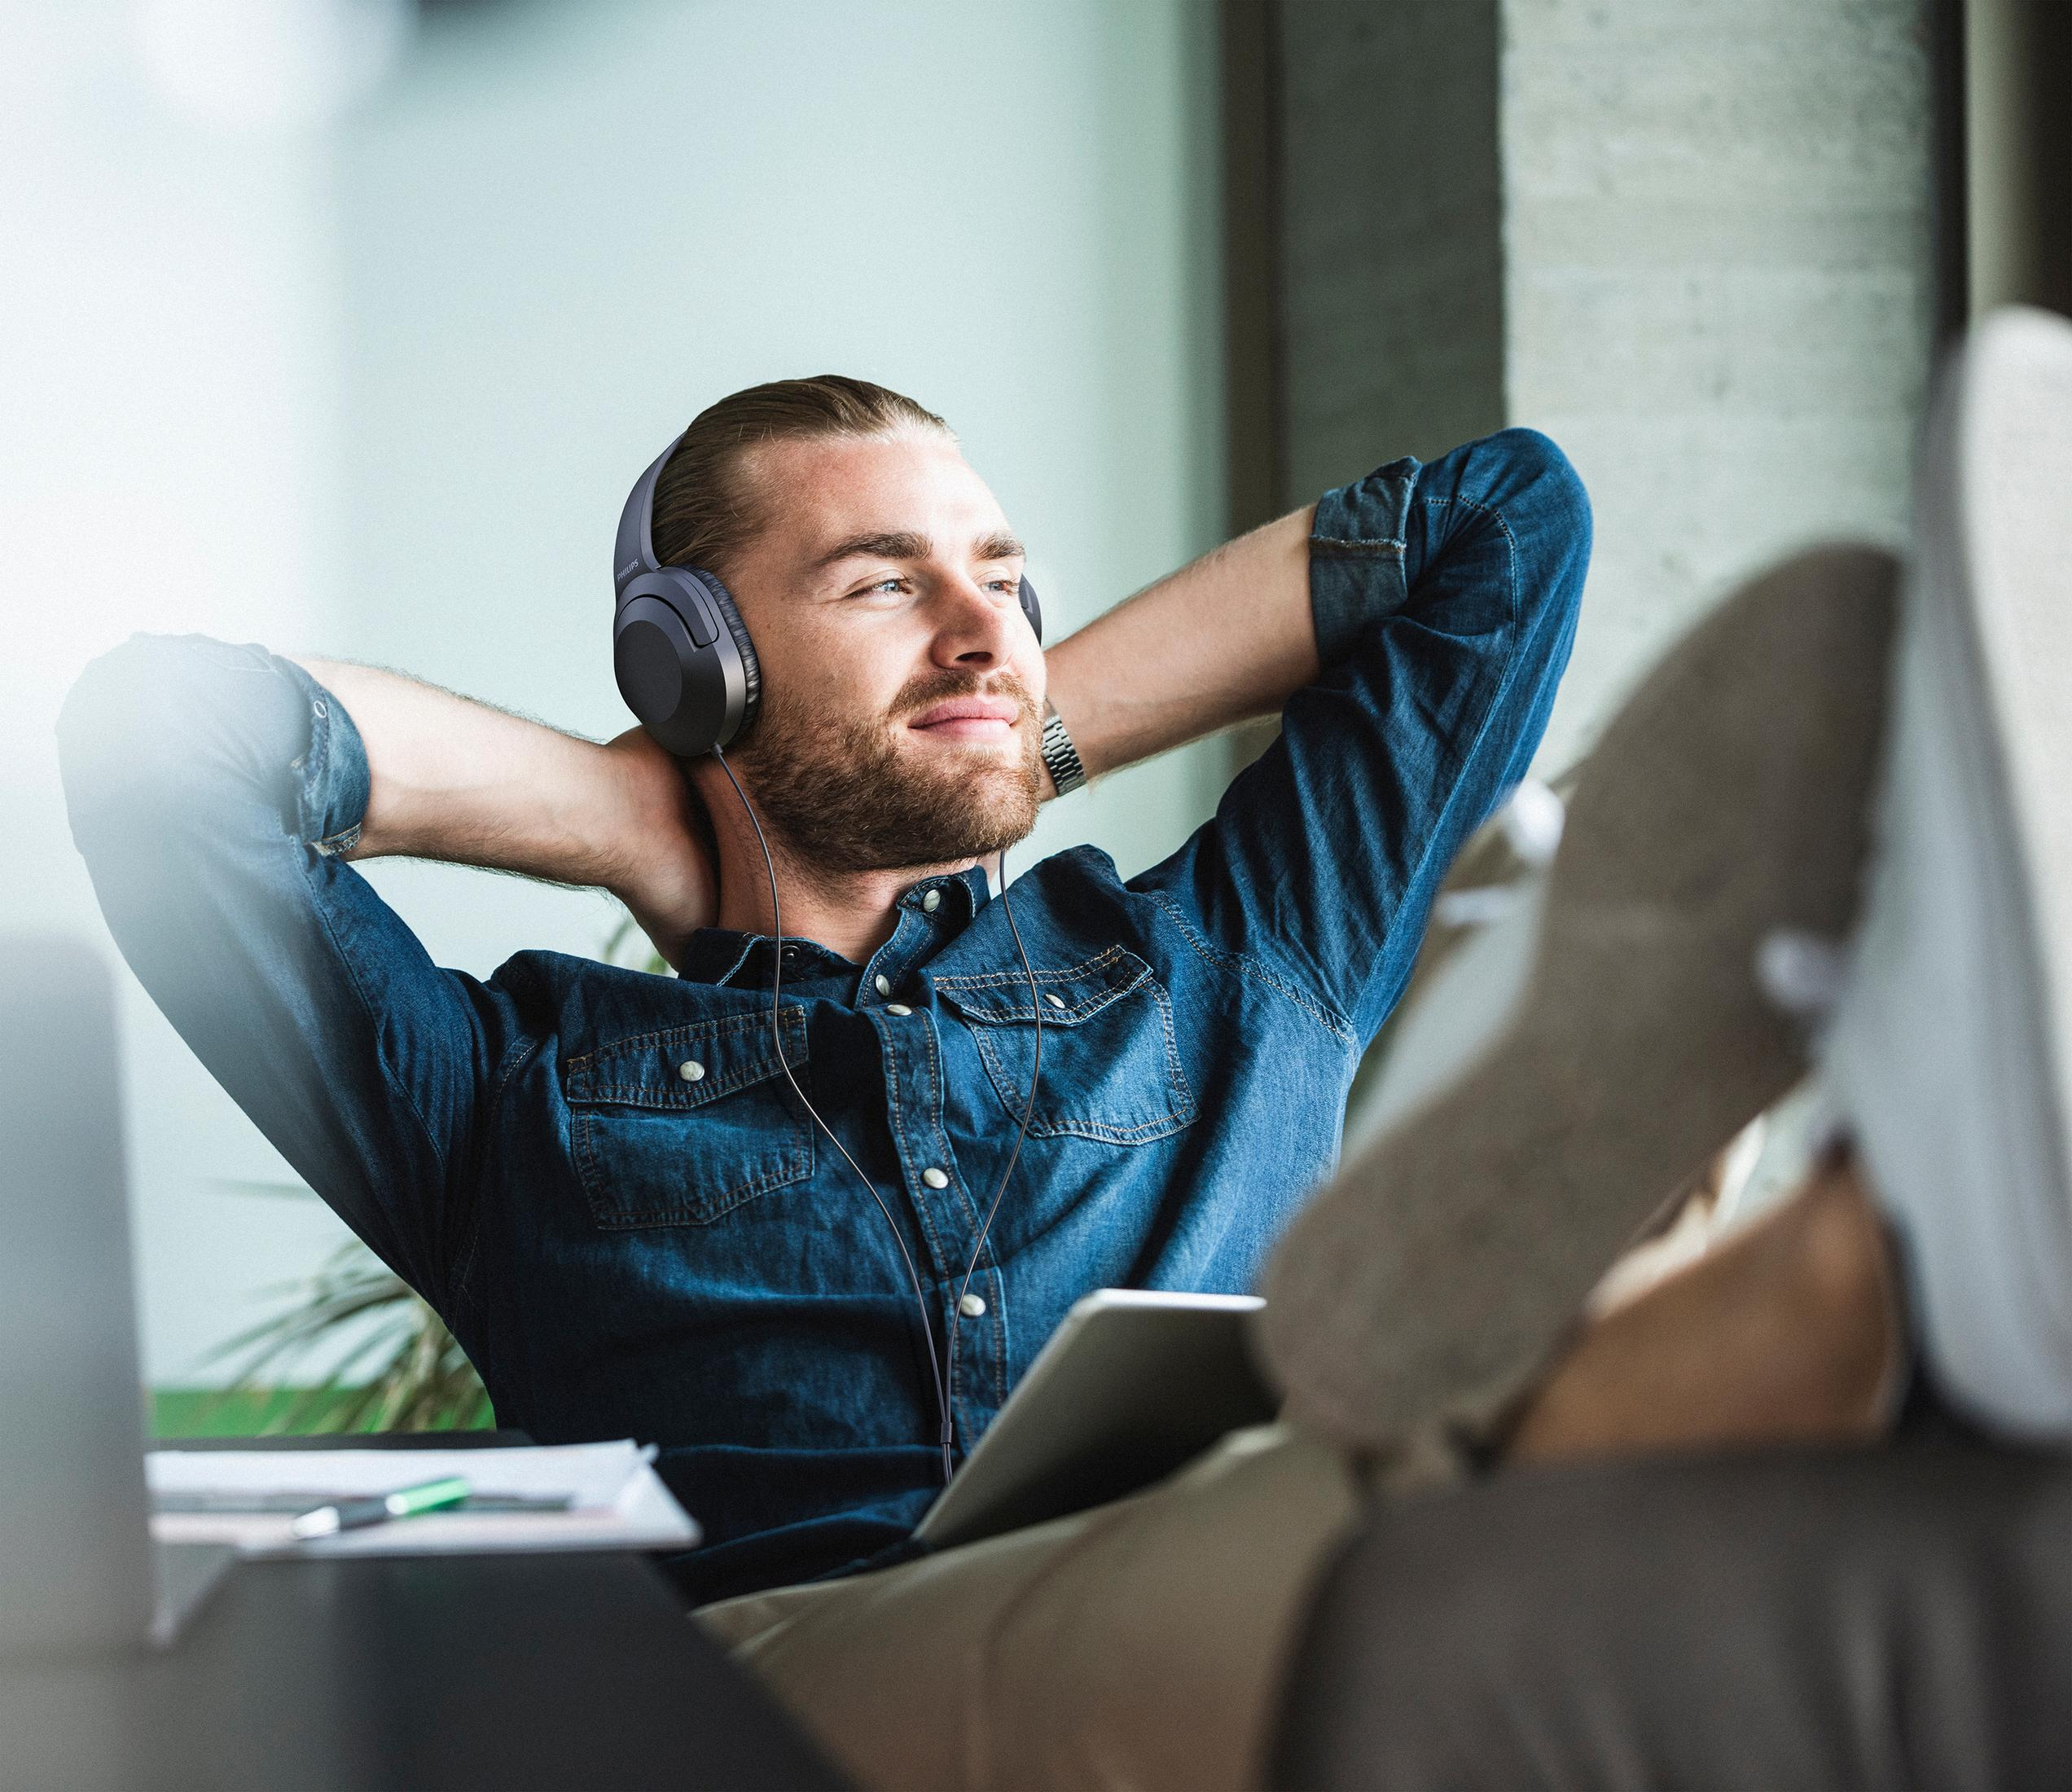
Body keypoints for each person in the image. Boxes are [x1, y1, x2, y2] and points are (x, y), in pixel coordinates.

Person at [55, 379, 1587, 1615]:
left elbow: (1507, 520)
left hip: (1217, 1647)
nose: (983, 629)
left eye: (1004, 582)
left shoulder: (1239, 957)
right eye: (885, 584)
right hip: (785, 1703)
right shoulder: (506, 1096)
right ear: (693, 665)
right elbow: (157, 739)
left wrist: (1017, 730)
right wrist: (620, 811)